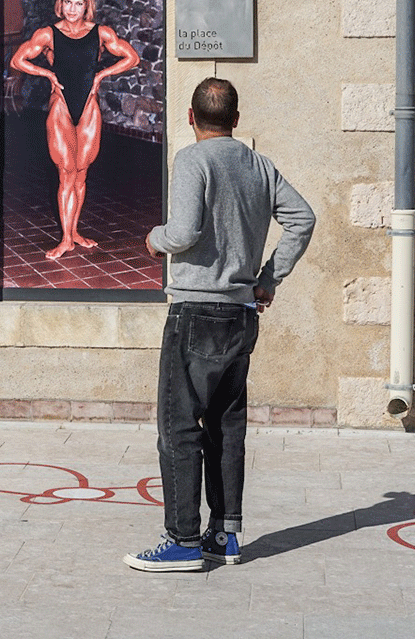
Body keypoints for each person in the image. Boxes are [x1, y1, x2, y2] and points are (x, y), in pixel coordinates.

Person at [124, 77, 315, 572]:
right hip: (240, 313)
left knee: (178, 426)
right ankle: (224, 535)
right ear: (236, 118)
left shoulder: (193, 160)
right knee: (227, 426)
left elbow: (184, 231)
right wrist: (268, 278)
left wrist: (154, 239)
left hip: (194, 312)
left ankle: (183, 539)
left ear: (190, 118)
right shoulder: (259, 165)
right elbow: (303, 218)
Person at [9, 0, 140, 260]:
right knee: (66, 173)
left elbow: (132, 57)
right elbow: (18, 60)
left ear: (86, 5)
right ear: (61, 3)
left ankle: (75, 231)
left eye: (78, 3)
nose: (72, 9)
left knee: (81, 174)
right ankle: (66, 239)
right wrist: (48, 74)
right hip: (61, 107)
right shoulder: (47, 34)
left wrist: (101, 75)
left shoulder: (102, 33)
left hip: (89, 107)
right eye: (67, 1)